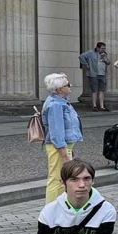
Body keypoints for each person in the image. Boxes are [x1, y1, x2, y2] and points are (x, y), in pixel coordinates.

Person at [41, 72, 83, 203]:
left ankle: (58, 208)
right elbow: (57, 132)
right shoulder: (56, 105)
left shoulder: (61, 102)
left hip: (63, 146)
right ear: (59, 89)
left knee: (61, 179)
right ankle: (51, 212)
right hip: (58, 147)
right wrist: (65, 155)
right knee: (56, 179)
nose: (70, 85)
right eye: (67, 84)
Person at [78, 41, 109, 112]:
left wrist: (105, 59)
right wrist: (86, 64)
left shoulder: (104, 54)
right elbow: (81, 56)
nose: (103, 49)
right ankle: (94, 105)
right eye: (102, 48)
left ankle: (102, 106)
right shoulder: (91, 53)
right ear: (98, 48)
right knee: (94, 90)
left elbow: (108, 62)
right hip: (94, 74)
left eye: (104, 48)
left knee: (102, 90)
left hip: (102, 74)